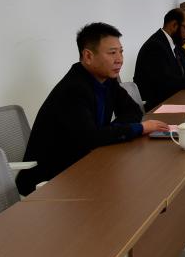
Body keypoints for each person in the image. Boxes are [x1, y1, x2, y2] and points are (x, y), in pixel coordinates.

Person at [16, 23, 169, 195]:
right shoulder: (73, 89)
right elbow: (91, 138)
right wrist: (138, 128)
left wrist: (108, 132)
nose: (119, 59)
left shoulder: (107, 80)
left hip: (86, 162)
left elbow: (133, 111)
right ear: (88, 56)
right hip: (51, 180)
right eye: (112, 53)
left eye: (121, 52)